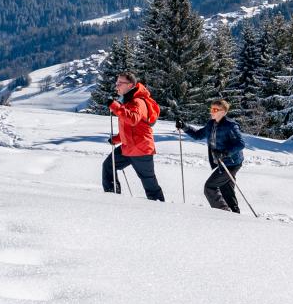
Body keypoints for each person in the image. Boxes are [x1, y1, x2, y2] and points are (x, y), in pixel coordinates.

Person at [102, 71, 165, 201]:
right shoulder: (128, 100)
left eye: (120, 83)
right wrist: (116, 139)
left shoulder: (138, 101)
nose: (117, 86)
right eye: (116, 82)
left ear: (130, 85)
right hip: (128, 147)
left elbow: (133, 119)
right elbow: (130, 128)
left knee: (149, 183)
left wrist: (114, 106)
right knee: (108, 166)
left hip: (141, 149)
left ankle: (160, 208)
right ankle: (111, 197)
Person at [179, 98, 245, 213]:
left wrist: (225, 153)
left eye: (215, 109)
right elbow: (198, 135)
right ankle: (235, 214)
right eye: (211, 109)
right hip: (222, 162)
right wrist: (184, 126)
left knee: (210, 187)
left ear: (223, 112)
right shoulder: (211, 124)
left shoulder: (230, 126)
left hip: (231, 163)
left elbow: (240, 144)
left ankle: (223, 212)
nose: (212, 111)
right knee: (226, 189)